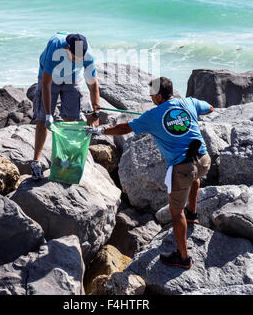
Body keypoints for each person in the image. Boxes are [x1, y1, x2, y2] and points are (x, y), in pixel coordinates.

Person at [91, 77, 214, 269]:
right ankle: (193, 212)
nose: (150, 98)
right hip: (204, 159)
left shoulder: (153, 116)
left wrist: (102, 131)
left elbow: (124, 128)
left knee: (175, 211)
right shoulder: (188, 102)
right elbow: (210, 108)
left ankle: (183, 257)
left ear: (158, 96)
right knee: (195, 177)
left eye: (151, 95)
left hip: (183, 168)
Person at [31, 32, 100, 180]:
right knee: (42, 119)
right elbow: (46, 83)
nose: (77, 60)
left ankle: (67, 161)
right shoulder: (56, 45)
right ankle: (36, 162)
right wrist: (49, 114)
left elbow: (93, 85)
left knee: (72, 119)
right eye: (74, 57)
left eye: (79, 58)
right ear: (67, 48)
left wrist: (96, 113)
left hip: (72, 78)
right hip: (50, 77)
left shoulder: (88, 55)